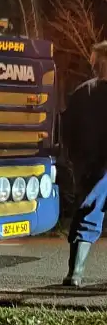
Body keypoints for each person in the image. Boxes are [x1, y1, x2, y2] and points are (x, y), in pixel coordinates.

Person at [64, 41, 107, 288]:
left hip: (91, 166)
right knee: (88, 213)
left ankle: (75, 274)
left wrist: (77, 161)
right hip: (97, 165)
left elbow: (68, 132)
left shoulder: (82, 93)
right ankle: (75, 273)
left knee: (88, 212)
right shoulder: (84, 93)